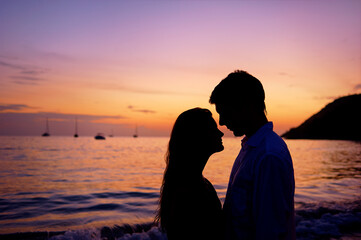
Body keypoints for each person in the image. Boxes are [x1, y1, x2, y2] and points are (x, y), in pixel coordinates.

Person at [210, 70, 296, 240]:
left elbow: (270, 231)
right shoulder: (251, 148)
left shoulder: (268, 156)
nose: (221, 122)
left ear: (247, 106)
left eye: (225, 113)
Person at [155, 108, 225, 240]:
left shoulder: (198, 182)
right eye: (213, 129)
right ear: (197, 136)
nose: (220, 133)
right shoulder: (188, 190)